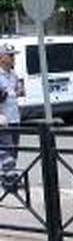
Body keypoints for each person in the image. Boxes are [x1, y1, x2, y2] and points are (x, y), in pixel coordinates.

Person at [0, 44, 23, 192]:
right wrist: (8, 93)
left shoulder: (13, 74)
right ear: (1, 58)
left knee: (14, 148)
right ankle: (9, 179)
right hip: (2, 118)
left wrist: (16, 90)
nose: (13, 58)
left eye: (14, 55)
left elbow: (20, 90)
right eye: (10, 55)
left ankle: (7, 176)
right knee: (6, 148)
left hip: (15, 117)